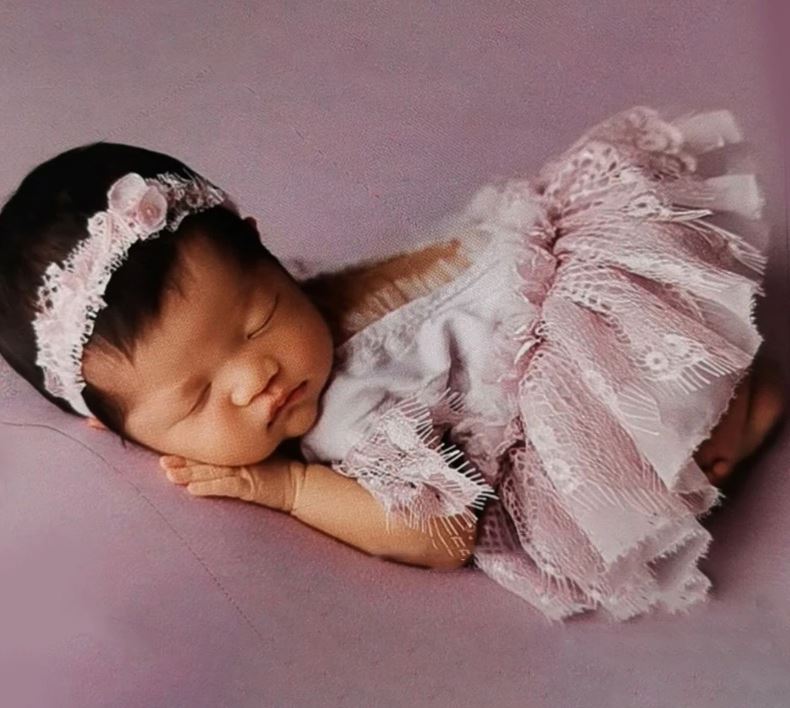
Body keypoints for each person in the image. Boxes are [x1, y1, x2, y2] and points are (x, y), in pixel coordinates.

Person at [0, 105, 785, 622]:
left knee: (632, 463)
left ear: (267, 253)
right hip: (563, 277)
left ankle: (733, 413)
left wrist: (287, 487)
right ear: (120, 431)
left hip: (573, 333)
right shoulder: (303, 321)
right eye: (198, 395)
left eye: (257, 318)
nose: (253, 378)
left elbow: (444, 530)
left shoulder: (345, 415)